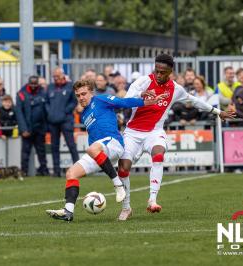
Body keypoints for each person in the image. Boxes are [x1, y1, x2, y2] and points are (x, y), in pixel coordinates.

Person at [116, 54, 235, 221]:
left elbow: (194, 101)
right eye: (156, 71)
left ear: (170, 71)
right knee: (123, 168)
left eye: (162, 72)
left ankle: (152, 200)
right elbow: (126, 101)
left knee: (158, 155)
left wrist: (218, 112)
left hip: (154, 132)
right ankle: (126, 208)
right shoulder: (143, 82)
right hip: (133, 132)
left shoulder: (176, 89)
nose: (158, 74)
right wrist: (143, 95)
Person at [45, 79, 164, 222]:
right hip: (99, 149)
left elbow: (123, 103)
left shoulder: (101, 99)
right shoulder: (84, 114)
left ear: (91, 92)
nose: (81, 97)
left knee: (92, 148)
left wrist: (146, 102)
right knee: (71, 173)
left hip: (114, 143)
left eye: (84, 94)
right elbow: (93, 137)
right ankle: (68, 212)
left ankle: (118, 185)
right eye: (78, 95)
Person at [45, 67, 80, 177]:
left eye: (57, 76)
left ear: (63, 75)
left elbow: (74, 102)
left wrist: (65, 112)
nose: (56, 78)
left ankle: (78, 170)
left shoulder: (70, 86)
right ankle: (56, 171)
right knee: (54, 146)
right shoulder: (50, 87)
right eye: (54, 76)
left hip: (66, 120)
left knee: (71, 145)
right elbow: (46, 102)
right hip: (53, 121)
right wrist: (50, 112)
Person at [15, 75, 49, 176]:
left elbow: (46, 110)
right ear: (28, 83)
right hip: (27, 128)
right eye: (32, 84)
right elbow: (19, 113)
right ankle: (24, 171)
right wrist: (23, 129)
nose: (34, 86)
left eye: (35, 84)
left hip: (40, 127)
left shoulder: (43, 91)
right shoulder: (21, 93)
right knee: (25, 152)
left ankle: (44, 170)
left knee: (41, 151)